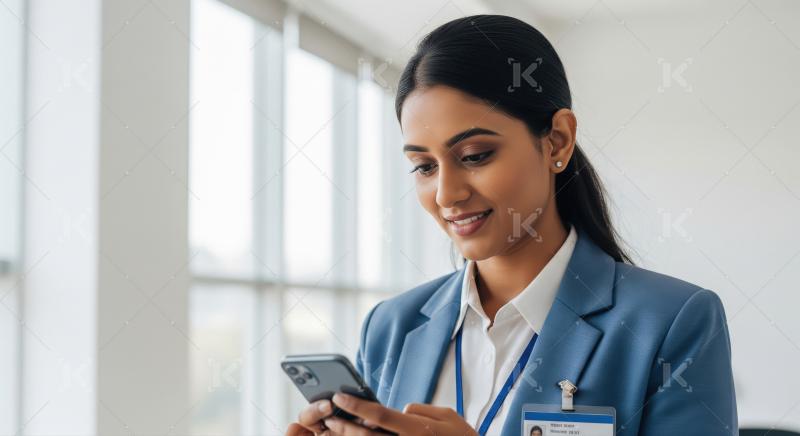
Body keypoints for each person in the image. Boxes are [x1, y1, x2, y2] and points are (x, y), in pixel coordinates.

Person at [286, 14, 737, 436]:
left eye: (475, 156)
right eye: (424, 166)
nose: (446, 195)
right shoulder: (391, 326)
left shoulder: (673, 322)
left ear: (557, 140)